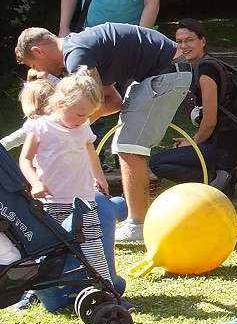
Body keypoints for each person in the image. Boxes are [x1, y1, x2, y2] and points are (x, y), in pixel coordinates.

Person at [14, 23, 192, 244]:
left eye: (34, 64)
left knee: (129, 147)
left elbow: (92, 103)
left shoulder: (76, 55)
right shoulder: (81, 51)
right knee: (124, 145)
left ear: (37, 51)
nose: (40, 71)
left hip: (165, 74)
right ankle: (137, 220)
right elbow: (112, 101)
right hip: (163, 72)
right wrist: (70, 128)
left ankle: (137, 225)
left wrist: (62, 131)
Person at [17, 70, 113, 284]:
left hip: (83, 201)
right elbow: (25, 159)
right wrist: (35, 183)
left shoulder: (83, 129)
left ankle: (108, 290)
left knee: (94, 247)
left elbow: (91, 154)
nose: (84, 119)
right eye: (80, 114)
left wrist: (100, 178)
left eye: (88, 115)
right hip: (51, 202)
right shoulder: (41, 127)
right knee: (47, 249)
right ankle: (36, 290)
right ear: (60, 104)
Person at [149, 19, 237, 197]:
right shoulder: (204, 66)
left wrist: (193, 143)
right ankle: (219, 176)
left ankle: (215, 180)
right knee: (168, 158)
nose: (184, 46)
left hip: (222, 150)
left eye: (190, 40)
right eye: (179, 42)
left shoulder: (207, 71)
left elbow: (209, 122)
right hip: (221, 146)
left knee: (156, 163)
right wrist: (190, 142)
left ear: (203, 41)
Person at [2, 73, 59, 151]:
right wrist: (48, 76)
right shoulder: (60, 114)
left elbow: (8, 142)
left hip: (48, 162)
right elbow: (65, 86)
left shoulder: (33, 125)